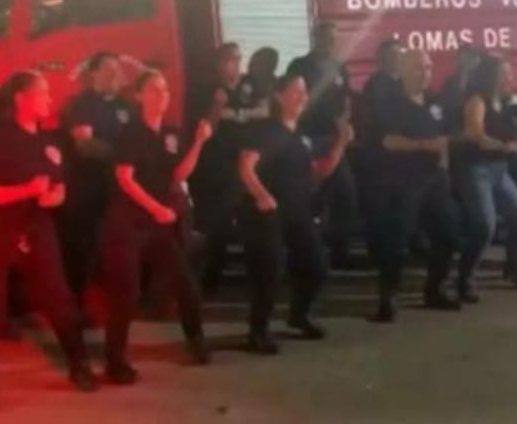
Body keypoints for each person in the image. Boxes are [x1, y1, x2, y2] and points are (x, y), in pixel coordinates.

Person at [0, 71, 96, 411]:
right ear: (21, 98)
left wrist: (50, 197)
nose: (49, 99)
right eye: (43, 93)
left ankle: (78, 364)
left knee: (59, 299)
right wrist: (26, 190)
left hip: (36, 230)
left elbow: (59, 191)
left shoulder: (49, 143)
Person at [103, 69, 213, 385]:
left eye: (164, 89)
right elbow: (124, 177)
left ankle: (196, 340)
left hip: (159, 222)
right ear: (139, 96)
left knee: (184, 283)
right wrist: (156, 208)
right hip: (128, 222)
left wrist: (199, 144)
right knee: (126, 293)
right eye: (153, 89)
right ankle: (115, 361)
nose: (161, 94)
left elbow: (178, 175)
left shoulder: (171, 133)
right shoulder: (130, 133)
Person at [238, 73, 354, 354]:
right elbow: (246, 165)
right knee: (268, 273)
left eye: (305, 91)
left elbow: (319, 172)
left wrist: (341, 142)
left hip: (299, 212)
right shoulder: (267, 130)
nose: (302, 96)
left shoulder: (299, 136)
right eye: (295, 91)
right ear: (279, 96)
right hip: (268, 215)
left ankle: (298, 315)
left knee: (316, 265)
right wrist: (261, 195)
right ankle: (258, 332)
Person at [371, 50, 463, 321]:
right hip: (401, 182)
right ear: (402, 70)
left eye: (428, 67)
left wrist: (443, 167)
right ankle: (388, 297)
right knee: (396, 243)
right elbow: (387, 141)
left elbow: (444, 138)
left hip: (435, 181)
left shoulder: (436, 102)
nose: (424, 73)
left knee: (449, 235)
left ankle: (435, 289)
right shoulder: (389, 103)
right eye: (418, 68)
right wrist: (424, 146)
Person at [457, 55, 517, 300]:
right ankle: (466, 276)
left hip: (499, 171)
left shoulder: (504, 104)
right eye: (505, 75)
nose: (510, 79)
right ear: (492, 77)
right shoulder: (477, 101)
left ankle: (513, 267)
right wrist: (502, 147)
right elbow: (475, 134)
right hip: (477, 170)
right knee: (485, 226)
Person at [58, 51, 132, 310]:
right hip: (85, 189)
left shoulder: (126, 107)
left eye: (117, 69)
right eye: (108, 69)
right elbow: (85, 145)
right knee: (81, 248)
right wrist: (123, 155)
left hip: (117, 189)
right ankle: (75, 304)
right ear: (93, 74)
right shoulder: (81, 104)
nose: (114, 74)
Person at [286, 22, 361, 269]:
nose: (331, 43)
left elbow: (346, 98)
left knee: (345, 195)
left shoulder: (338, 67)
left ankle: (338, 252)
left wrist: (346, 122)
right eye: (326, 38)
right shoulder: (299, 66)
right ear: (316, 38)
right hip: (308, 139)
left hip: (333, 140)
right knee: (307, 199)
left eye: (334, 39)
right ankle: (303, 255)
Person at [193, 43, 264, 295]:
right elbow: (205, 130)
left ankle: (258, 279)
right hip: (220, 167)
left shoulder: (250, 86)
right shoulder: (206, 90)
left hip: (250, 163)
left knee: (255, 223)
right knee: (220, 226)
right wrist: (215, 105)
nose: (231, 64)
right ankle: (211, 280)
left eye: (235, 59)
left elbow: (264, 113)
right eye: (225, 60)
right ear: (217, 63)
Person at [358, 38, 404, 261]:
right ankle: (378, 252)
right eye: (391, 55)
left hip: (398, 154)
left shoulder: (401, 82)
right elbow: (378, 119)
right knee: (379, 206)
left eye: (398, 54)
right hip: (378, 153)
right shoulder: (377, 84)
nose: (396, 59)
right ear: (381, 59)